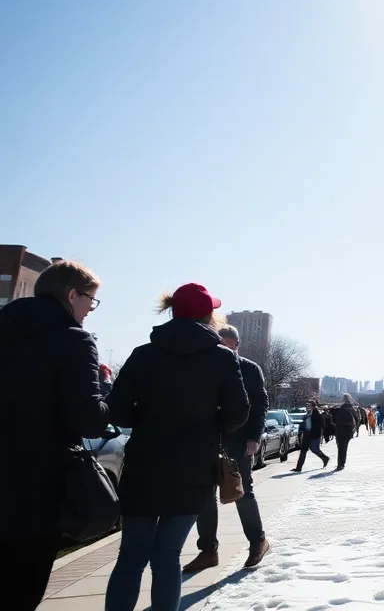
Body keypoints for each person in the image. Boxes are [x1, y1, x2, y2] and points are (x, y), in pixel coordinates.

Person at [105, 284, 250, 611]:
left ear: (172, 311)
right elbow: (238, 412)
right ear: (209, 315)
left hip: (144, 465)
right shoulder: (222, 358)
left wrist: (146, 417)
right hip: (194, 470)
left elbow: (117, 409)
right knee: (167, 556)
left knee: (130, 557)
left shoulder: (144, 354)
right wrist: (208, 426)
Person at [0, 260, 111, 611]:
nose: (90, 311)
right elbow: (88, 420)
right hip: (36, 489)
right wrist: (110, 397)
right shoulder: (74, 341)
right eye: (90, 300)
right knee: (22, 587)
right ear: (70, 294)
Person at [184, 325, 270, 575]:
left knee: (242, 491)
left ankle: (258, 541)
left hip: (239, 440)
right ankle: (208, 550)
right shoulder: (204, 365)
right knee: (204, 495)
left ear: (236, 346)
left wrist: (254, 437)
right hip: (207, 440)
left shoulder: (250, 369)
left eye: (227, 346)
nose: (221, 350)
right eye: (217, 345)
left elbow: (260, 405)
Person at [294, 400, 332, 471]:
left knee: (314, 449)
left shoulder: (317, 414)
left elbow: (321, 425)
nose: (307, 407)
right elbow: (303, 424)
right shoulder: (306, 414)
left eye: (309, 405)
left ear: (314, 406)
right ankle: (298, 468)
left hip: (315, 434)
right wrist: (300, 431)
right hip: (306, 433)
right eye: (307, 405)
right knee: (303, 450)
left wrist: (321, 434)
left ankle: (325, 458)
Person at [328, 393, 360, 470]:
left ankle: (340, 464)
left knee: (340, 447)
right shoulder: (351, 409)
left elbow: (332, 418)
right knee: (344, 447)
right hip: (348, 431)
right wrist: (354, 429)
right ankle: (341, 464)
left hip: (339, 429)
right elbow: (357, 420)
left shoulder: (338, 408)